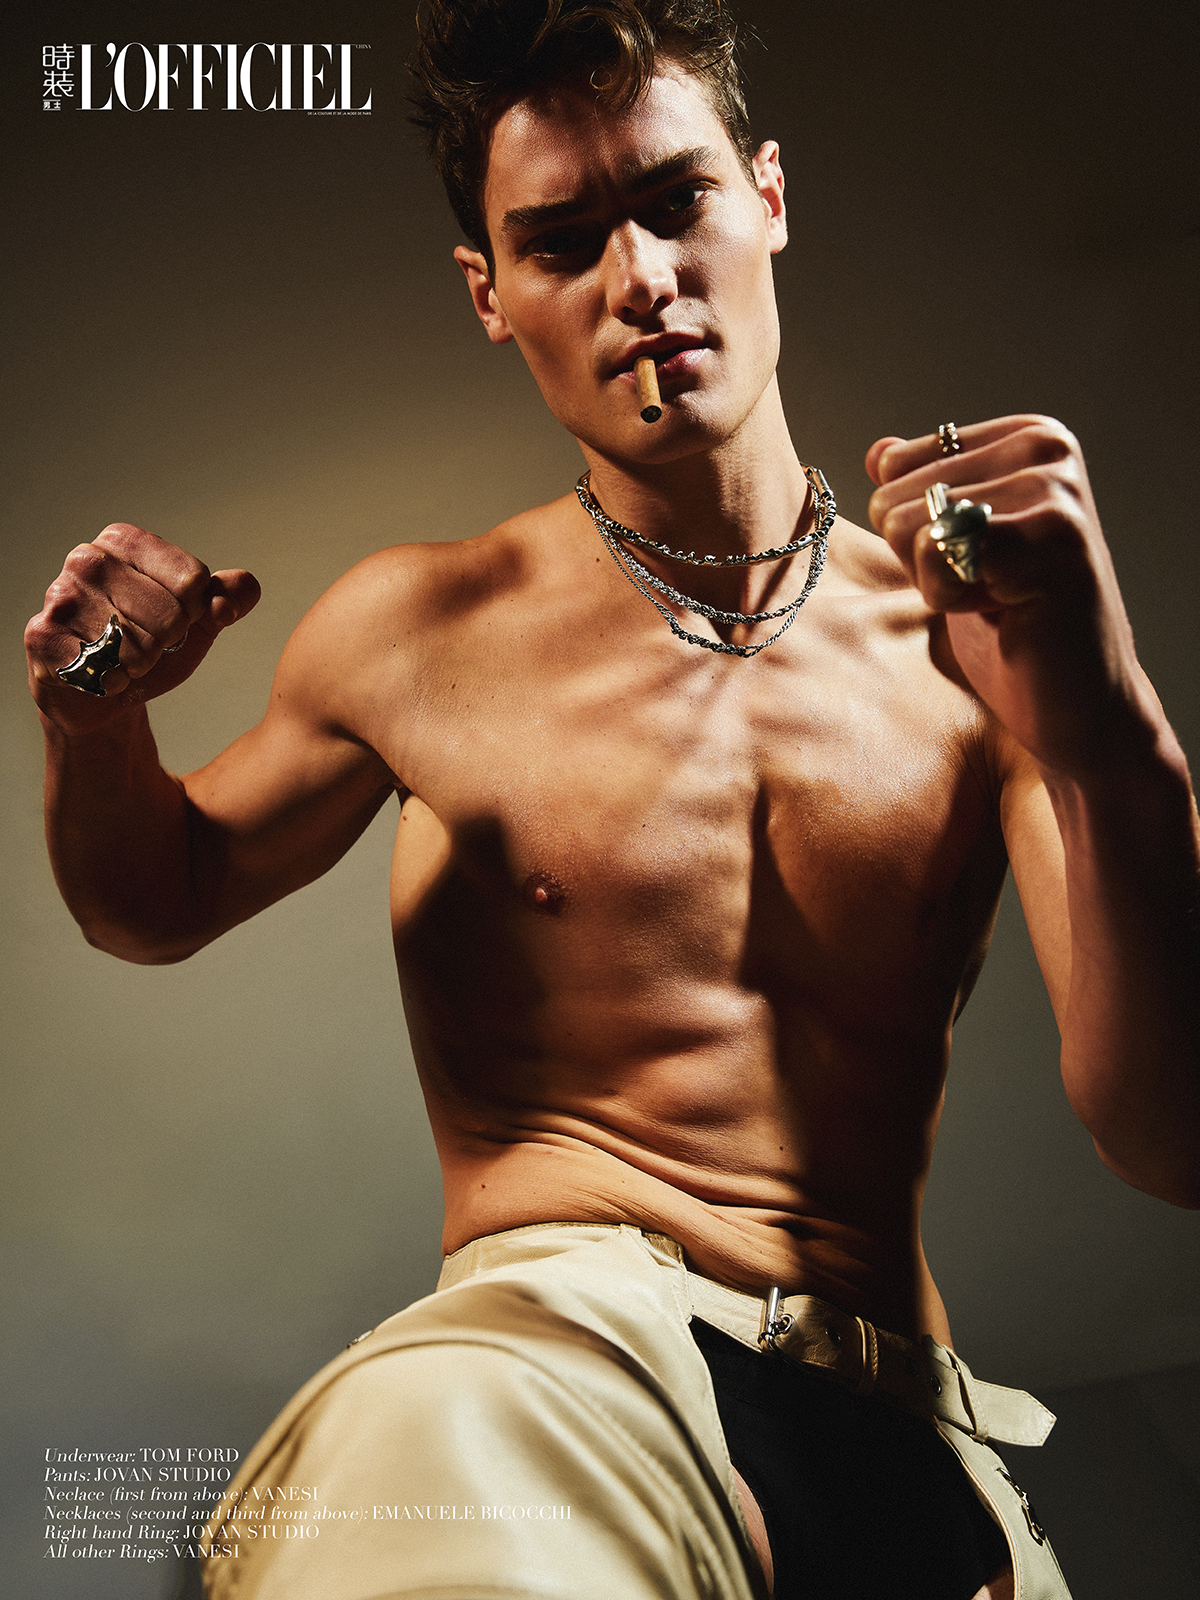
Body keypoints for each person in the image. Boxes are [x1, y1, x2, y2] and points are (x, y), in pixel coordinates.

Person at [23, 2, 1198, 1597]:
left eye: (675, 200)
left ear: (766, 198)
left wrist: (1112, 728)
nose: (639, 278)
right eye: (563, 242)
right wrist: (93, 724)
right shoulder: (417, 628)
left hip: (907, 1428)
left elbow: (1167, 1136)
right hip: (560, 1361)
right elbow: (151, 901)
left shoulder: (980, 651)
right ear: (490, 293)